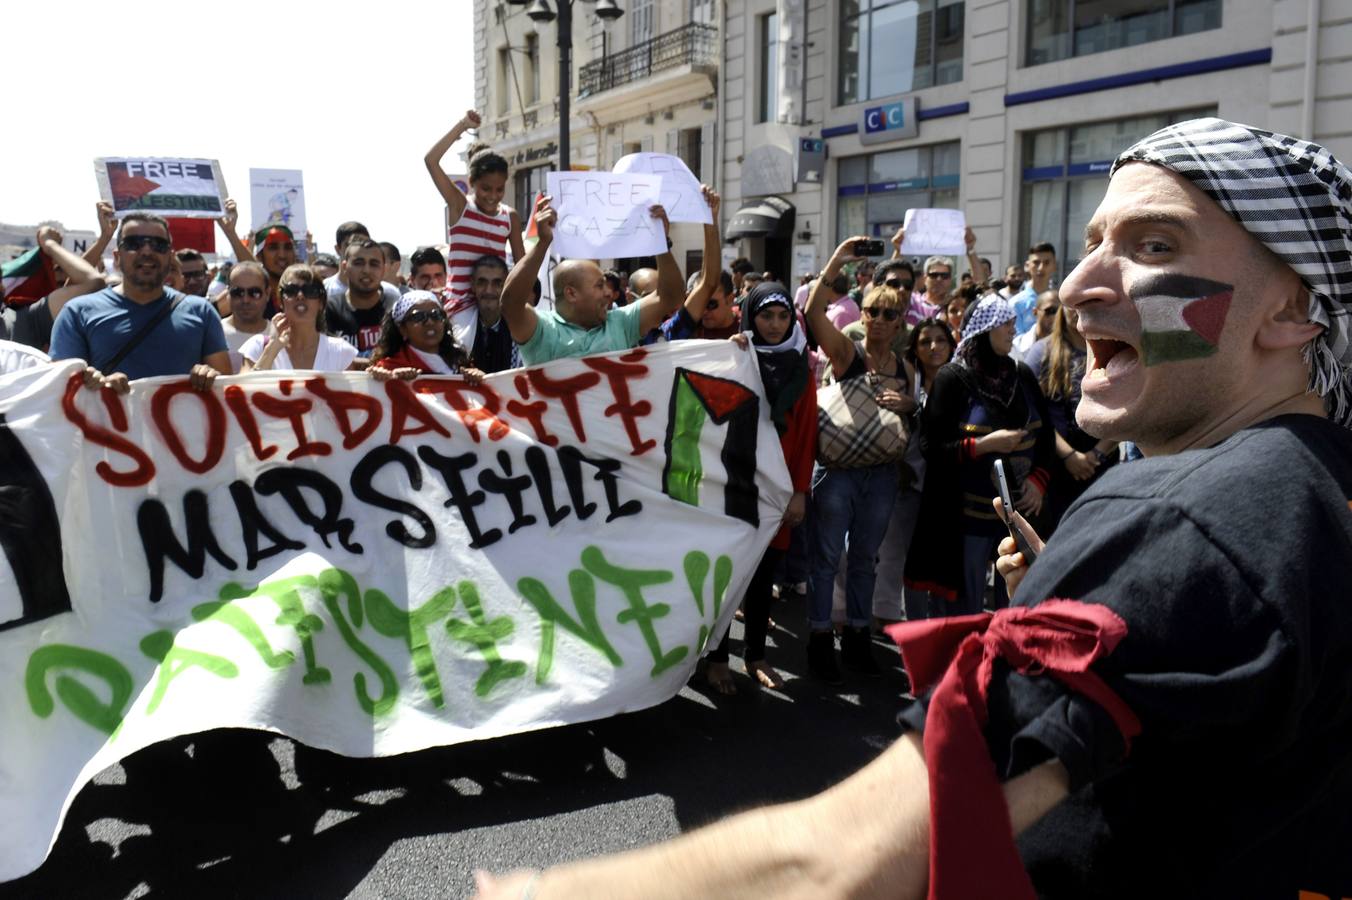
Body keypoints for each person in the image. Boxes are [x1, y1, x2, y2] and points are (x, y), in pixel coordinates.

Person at [472, 118, 1352, 900]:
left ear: (1292, 312)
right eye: (1091, 242)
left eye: (1154, 247)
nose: (1080, 284)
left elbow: (839, 862)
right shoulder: (1309, 497)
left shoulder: (1186, 520)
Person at [803, 236, 915, 683]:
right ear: (861, 314)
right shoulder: (847, 353)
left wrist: (912, 407)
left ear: (901, 320)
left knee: (866, 558)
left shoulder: (905, 366)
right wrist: (837, 260)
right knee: (826, 558)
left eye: (890, 314)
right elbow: (812, 315)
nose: (880, 320)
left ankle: (857, 638)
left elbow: (914, 415)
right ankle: (817, 640)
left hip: (882, 474)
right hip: (838, 473)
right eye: (872, 311)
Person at [904, 293, 1054, 617]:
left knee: (1015, 604)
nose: (1013, 330)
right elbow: (931, 447)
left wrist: (1038, 483)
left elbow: (1046, 440)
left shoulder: (1021, 374)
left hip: (1017, 517)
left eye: (1014, 323)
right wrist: (985, 445)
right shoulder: (953, 378)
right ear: (985, 329)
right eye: (1006, 324)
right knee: (967, 610)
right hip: (965, 520)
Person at [699, 281, 816, 692]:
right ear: (750, 315)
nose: (774, 324)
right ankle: (715, 658)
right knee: (728, 573)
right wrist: (728, 356)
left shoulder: (802, 363)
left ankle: (755, 655)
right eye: (765, 315)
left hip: (778, 487)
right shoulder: (736, 355)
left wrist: (799, 489)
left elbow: (805, 434)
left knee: (764, 573)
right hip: (735, 482)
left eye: (783, 315)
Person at [49, 212, 229, 392]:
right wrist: (97, 385)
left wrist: (210, 376)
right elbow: (61, 391)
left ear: (170, 256)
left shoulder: (201, 312)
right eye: (134, 244)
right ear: (117, 257)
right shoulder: (77, 313)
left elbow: (228, 391)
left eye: (158, 245)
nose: (147, 251)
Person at [500, 194, 685, 365]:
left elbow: (670, 298)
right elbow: (510, 304)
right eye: (599, 286)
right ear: (571, 293)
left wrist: (662, 244)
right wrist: (542, 243)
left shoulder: (620, 323)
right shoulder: (542, 331)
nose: (608, 293)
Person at [1022, 300, 1117, 536]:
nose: (1077, 311)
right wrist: (1069, 455)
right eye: (1071, 305)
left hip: (1101, 463)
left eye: (1086, 304)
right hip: (1056, 465)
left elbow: (1124, 410)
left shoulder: (1114, 350)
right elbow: (1033, 415)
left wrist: (1097, 454)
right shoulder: (1041, 352)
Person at [425, 110, 526, 307]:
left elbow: (522, 267)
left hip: (495, 306)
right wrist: (463, 125)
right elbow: (431, 161)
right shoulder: (460, 206)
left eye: (499, 189)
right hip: (460, 306)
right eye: (486, 188)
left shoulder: (509, 217)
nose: (493, 196)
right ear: (471, 182)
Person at [3, 224, 106, 352]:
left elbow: (92, 283)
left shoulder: (20, 322)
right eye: (57, 270)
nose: (62, 276)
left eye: (64, 270)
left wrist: (49, 245)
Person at [240, 264, 359, 372]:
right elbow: (242, 392)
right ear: (281, 301)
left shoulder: (341, 352)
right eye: (291, 291)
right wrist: (272, 348)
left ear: (321, 302)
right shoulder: (257, 347)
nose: (300, 296)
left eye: (310, 291)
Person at [657, 190, 739, 342]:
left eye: (710, 304)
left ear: (730, 299)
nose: (702, 310)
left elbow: (709, 282)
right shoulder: (683, 331)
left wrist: (710, 219)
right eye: (693, 300)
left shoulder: (748, 327)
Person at [369, 290, 484, 382]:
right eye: (418, 317)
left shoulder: (459, 361)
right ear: (402, 329)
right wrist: (391, 381)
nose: (429, 322)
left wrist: (481, 379)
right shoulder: (388, 368)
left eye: (436, 314)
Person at [326, 239, 393, 355]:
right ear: (345, 267)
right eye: (358, 263)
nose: (366, 270)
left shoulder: (394, 309)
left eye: (374, 264)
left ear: (384, 270)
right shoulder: (328, 309)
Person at [463, 255, 519, 373]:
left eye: (497, 283)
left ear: (506, 285)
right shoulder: (459, 330)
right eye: (482, 283)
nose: (489, 290)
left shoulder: (518, 329)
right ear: (473, 285)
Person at [220, 262, 275, 373]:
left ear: (268, 293)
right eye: (238, 292)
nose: (246, 300)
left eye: (254, 293)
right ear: (228, 293)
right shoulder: (213, 333)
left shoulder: (278, 336)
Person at [1010, 241, 1057, 336]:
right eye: (1036, 262)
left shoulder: (1060, 301)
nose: (1041, 268)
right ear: (1027, 266)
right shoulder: (1016, 303)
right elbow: (1015, 342)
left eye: (1046, 263)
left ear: (1054, 266)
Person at [1010, 288, 1057, 361]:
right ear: (1035, 312)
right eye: (1050, 311)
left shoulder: (1072, 345)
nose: (1055, 316)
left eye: (1061, 312)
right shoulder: (1017, 347)